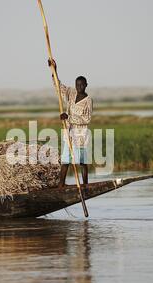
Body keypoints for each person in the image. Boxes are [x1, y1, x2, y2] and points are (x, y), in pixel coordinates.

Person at [48, 59, 93, 188]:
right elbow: (58, 86)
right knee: (66, 160)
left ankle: (85, 185)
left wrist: (69, 117)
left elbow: (87, 119)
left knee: (82, 161)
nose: (79, 87)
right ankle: (61, 184)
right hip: (68, 132)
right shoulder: (71, 94)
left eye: (82, 85)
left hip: (81, 133)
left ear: (86, 85)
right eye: (77, 85)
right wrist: (54, 70)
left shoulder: (88, 100)